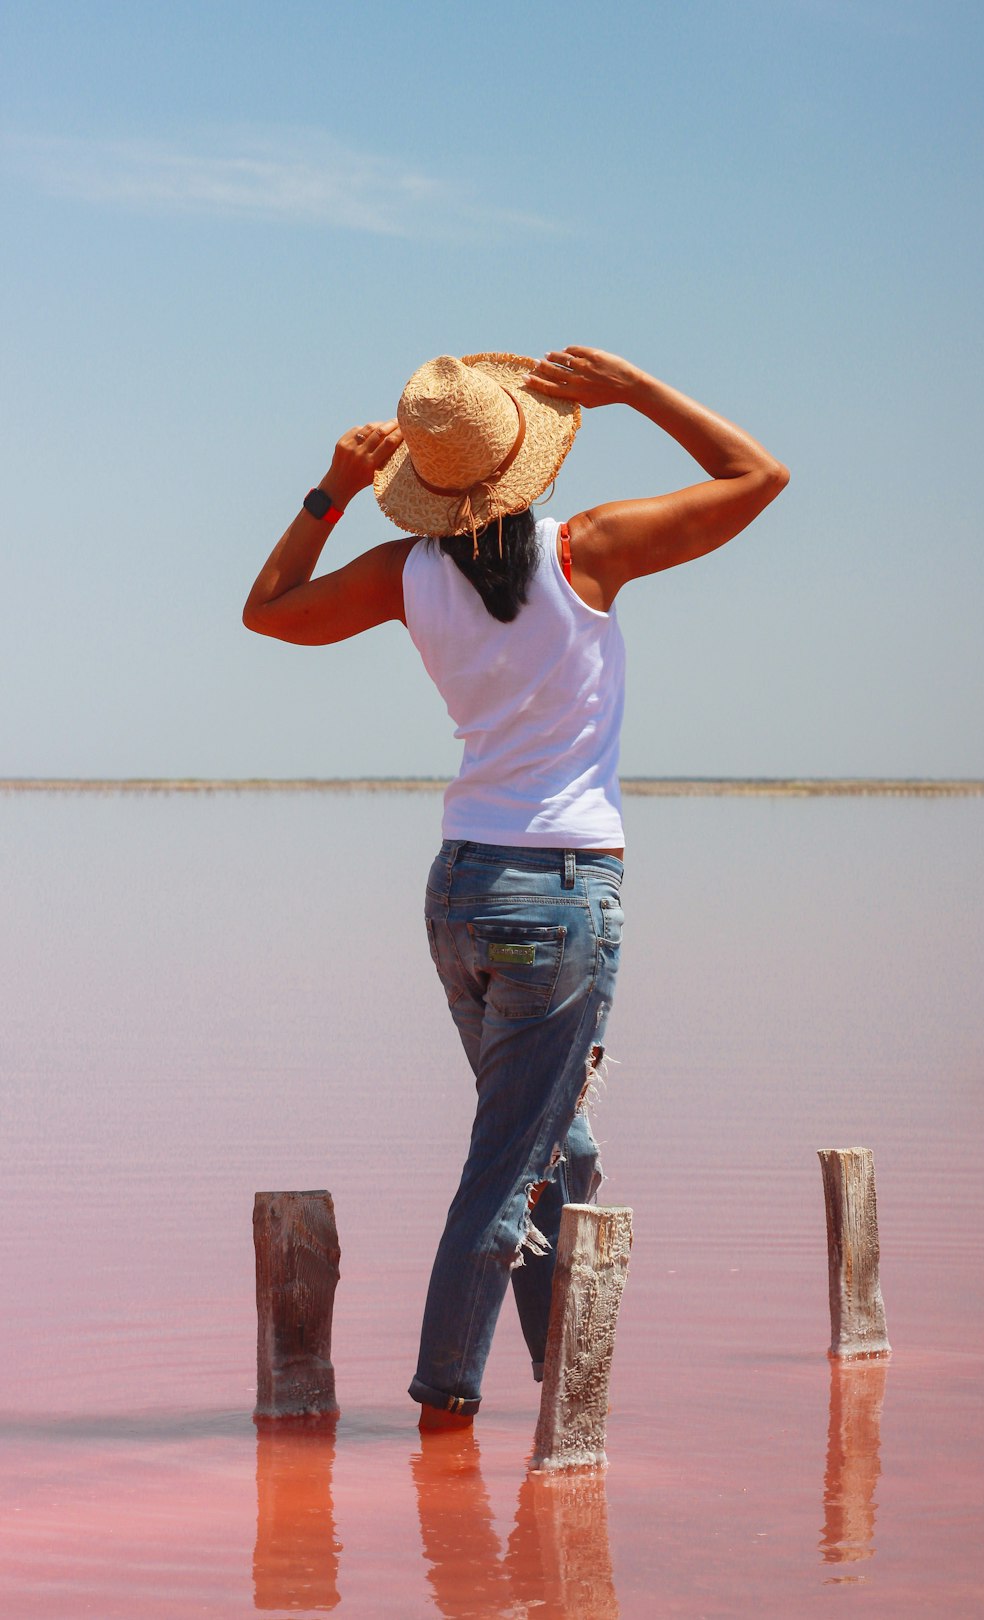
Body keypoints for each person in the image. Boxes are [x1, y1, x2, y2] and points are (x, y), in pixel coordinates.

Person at [244, 346, 788, 1430]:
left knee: (556, 1150)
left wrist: (331, 493)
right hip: (561, 890)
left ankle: (567, 1387)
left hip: (462, 892)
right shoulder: (587, 550)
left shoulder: (405, 573)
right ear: (525, 460)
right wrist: (636, 391)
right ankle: (444, 1407)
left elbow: (270, 610)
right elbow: (758, 478)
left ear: (429, 480)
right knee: (511, 1164)